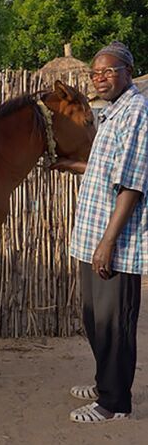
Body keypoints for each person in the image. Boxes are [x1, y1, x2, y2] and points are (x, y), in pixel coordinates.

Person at [53, 41, 148, 423]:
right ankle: (104, 381)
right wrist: (72, 165)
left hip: (117, 242)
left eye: (108, 71)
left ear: (127, 71)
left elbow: (132, 185)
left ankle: (114, 403)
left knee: (115, 322)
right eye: (95, 73)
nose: (101, 78)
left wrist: (108, 243)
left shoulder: (137, 114)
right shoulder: (112, 112)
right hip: (92, 235)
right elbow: (105, 168)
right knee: (95, 317)